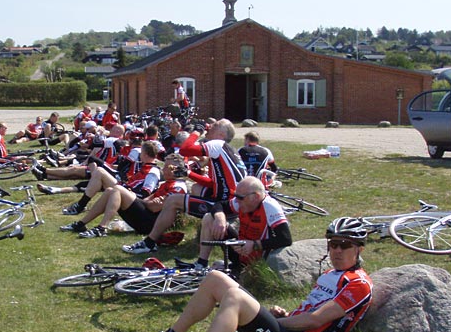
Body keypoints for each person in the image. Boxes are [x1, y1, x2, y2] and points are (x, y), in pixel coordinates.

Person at [135, 217, 373, 332]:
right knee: (216, 278)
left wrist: (276, 323)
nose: (337, 250)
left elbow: (315, 320)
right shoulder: (331, 274)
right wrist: (283, 316)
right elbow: (310, 310)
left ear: (359, 249)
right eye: (333, 244)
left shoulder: (358, 284)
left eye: (345, 245)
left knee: (235, 297)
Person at [122, 118, 245, 254]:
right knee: (196, 188)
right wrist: (188, 173)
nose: (210, 127)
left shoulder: (217, 144)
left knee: (173, 200)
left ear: (221, 134)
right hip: (233, 202)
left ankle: (149, 242)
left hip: (225, 205)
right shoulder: (229, 150)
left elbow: (185, 150)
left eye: (215, 125)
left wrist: (197, 131)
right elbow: (212, 183)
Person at [61, 153, 189, 238]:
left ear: (176, 170)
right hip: (146, 215)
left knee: (117, 189)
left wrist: (145, 201)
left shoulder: (177, 187)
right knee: (110, 190)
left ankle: (102, 227)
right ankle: (81, 223)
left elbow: (154, 207)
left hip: (152, 224)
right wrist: (146, 201)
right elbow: (148, 201)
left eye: (167, 167)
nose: (164, 169)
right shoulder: (167, 183)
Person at [187, 175, 292, 277]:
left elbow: (285, 239)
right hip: (241, 250)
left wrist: (254, 245)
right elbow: (219, 205)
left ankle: (239, 271)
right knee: (209, 217)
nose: (236, 200)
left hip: (257, 259)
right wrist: (220, 217)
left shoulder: (270, 207)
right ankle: (201, 264)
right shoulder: (243, 201)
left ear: (256, 196)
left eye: (240, 197)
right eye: (236, 196)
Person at [61, 141, 161, 215]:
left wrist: (127, 189)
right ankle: (81, 206)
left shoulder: (153, 171)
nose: (140, 155)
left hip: (131, 199)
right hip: (126, 189)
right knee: (99, 172)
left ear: (146, 154)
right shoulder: (145, 166)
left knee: (100, 171)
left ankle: (80, 205)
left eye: (141, 152)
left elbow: (145, 194)